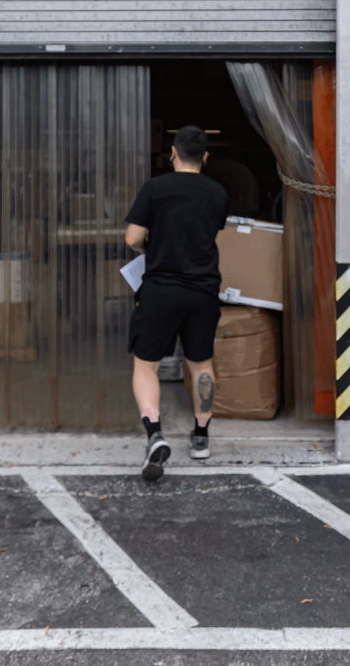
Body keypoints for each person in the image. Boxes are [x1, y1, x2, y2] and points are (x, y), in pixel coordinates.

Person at [124, 125, 230, 481]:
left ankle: (154, 434)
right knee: (201, 364)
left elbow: (133, 238)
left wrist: (149, 247)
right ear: (205, 157)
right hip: (202, 291)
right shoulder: (217, 192)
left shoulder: (155, 188)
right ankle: (201, 438)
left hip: (161, 289)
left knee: (146, 366)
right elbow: (209, 232)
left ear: (172, 152)